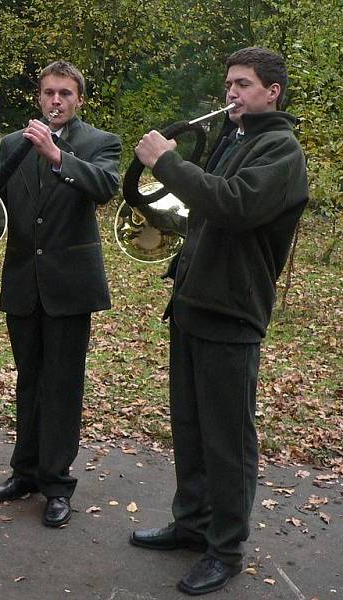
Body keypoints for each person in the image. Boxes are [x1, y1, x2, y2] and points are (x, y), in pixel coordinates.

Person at [129, 47, 308, 595]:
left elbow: (232, 206)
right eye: (229, 83)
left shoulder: (280, 148)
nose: (232, 93)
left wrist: (168, 162)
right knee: (190, 426)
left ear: (272, 92)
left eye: (245, 85)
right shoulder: (235, 138)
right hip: (193, 303)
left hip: (232, 311)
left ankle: (225, 549)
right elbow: (203, 213)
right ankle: (192, 524)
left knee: (228, 439)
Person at [0, 61, 121, 527]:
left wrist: (58, 156)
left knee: (62, 385)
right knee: (29, 380)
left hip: (69, 286)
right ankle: (25, 473)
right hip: (23, 282)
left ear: (79, 99)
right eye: (48, 93)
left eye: (65, 93)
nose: (55, 101)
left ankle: (57, 483)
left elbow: (105, 187)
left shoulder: (100, 143)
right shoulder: (11, 145)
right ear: (38, 97)